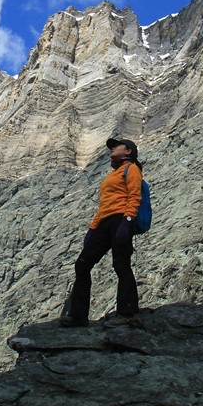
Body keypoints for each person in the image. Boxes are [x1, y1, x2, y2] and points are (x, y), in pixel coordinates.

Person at [60, 137, 142, 327]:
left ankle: (127, 313)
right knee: (82, 264)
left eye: (116, 146)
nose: (112, 149)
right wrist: (93, 228)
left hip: (121, 219)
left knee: (121, 264)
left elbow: (134, 195)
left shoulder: (132, 169)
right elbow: (104, 205)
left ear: (128, 151)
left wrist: (128, 220)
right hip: (104, 222)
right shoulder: (114, 174)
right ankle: (78, 316)